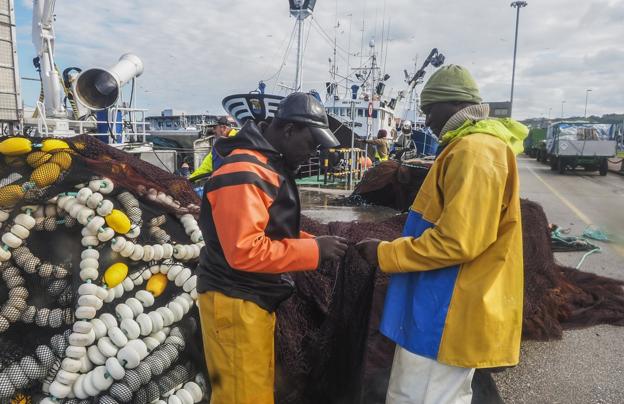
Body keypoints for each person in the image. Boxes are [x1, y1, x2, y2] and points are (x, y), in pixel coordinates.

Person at [356, 65, 527, 404]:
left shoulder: (475, 152)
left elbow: (458, 241)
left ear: (451, 104)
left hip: (447, 310)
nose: (427, 119)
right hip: (439, 301)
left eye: (429, 109)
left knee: (419, 396)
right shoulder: (468, 147)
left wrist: (384, 253)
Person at [196, 92, 349, 404]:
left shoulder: (264, 166)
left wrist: (313, 243)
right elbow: (246, 251)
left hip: (252, 300)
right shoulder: (245, 173)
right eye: (312, 143)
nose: (314, 153)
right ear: (289, 130)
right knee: (242, 396)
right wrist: (315, 251)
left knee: (256, 390)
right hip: (235, 300)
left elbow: (270, 230)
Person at [189, 116, 238, 180]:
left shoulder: (223, 146)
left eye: (215, 128)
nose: (213, 130)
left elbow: (205, 169)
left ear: (223, 128)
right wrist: (190, 179)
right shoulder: (242, 139)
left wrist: (188, 181)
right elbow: (205, 167)